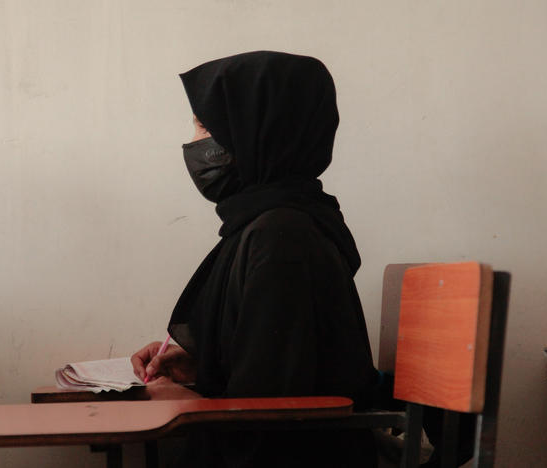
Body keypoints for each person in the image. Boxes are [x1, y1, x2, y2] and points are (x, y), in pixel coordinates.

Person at [131, 51, 380, 468]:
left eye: (205, 126)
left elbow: (270, 415)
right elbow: (278, 367)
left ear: (257, 133)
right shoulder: (264, 226)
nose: (194, 142)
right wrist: (199, 366)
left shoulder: (281, 237)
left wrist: (188, 403)